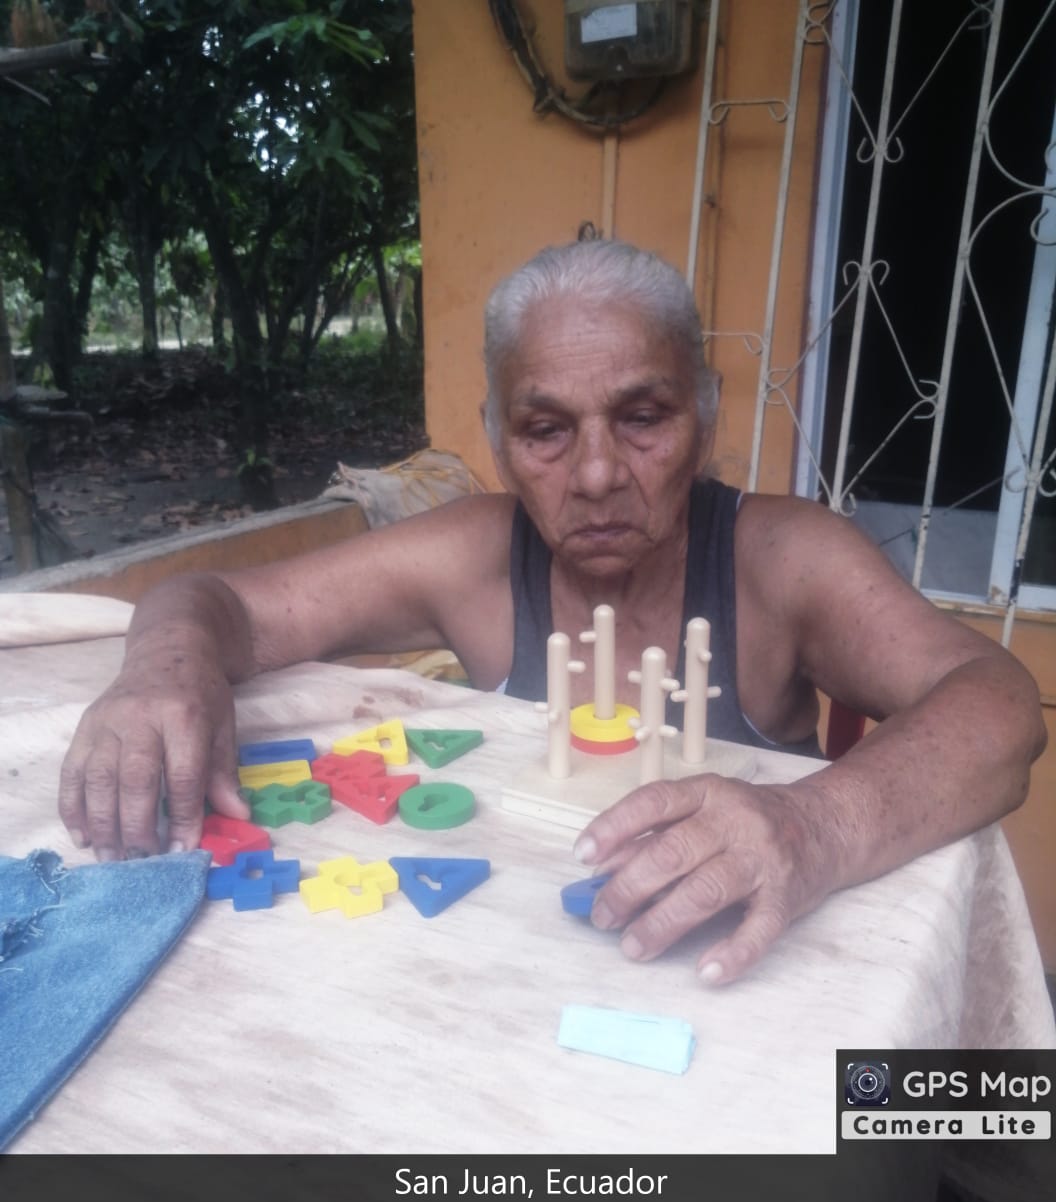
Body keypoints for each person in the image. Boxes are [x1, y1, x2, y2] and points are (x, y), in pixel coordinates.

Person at [58, 239, 1046, 985]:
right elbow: (220, 602)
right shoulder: (476, 554)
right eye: (546, 431)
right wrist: (164, 669)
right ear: (496, 439)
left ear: (704, 416)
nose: (599, 473)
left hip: (727, 984)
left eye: (643, 417)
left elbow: (998, 702)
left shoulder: (781, 557)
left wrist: (815, 825)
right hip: (502, 983)